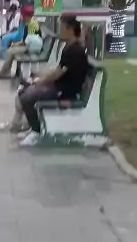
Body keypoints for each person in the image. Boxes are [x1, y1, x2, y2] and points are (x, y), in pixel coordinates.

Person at [16, 14, 89, 147]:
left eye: (62, 28)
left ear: (70, 29)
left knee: (27, 97)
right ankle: (35, 127)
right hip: (59, 86)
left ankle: (37, 133)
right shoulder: (69, 47)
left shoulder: (74, 50)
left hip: (65, 90)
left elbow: (58, 73)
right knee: (23, 91)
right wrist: (39, 77)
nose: (60, 31)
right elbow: (59, 69)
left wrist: (41, 81)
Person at [0, 5, 42, 78]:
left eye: (23, 15)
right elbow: (27, 39)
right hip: (31, 46)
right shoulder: (30, 22)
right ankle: (7, 71)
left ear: (27, 16)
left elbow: (28, 42)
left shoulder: (31, 25)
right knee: (12, 50)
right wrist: (18, 44)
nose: (21, 17)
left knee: (11, 51)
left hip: (32, 48)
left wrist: (18, 44)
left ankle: (5, 72)